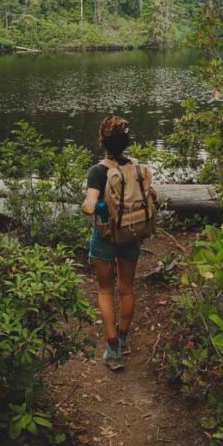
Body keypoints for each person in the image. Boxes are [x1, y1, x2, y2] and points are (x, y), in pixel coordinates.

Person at [81, 115, 139, 371]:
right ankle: (123, 337)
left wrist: (89, 203)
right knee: (126, 288)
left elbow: (90, 204)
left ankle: (112, 347)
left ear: (102, 140)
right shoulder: (136, 167)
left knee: (106, 290)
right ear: (125, 142)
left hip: (105, 236)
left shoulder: (97, 171)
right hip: (132, 232)